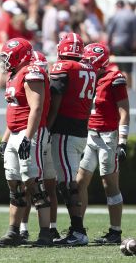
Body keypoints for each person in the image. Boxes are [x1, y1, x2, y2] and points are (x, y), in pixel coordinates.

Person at [0, 38, 52, 247]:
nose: (4, 60)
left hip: (31, 133)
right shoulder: (15, 74)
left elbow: (35, 108)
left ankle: (45, 233)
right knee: (14, 182)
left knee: (33, 181)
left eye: (7, 56)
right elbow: (15, 111)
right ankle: (13, 231)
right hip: (16, 133)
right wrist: (5, 138)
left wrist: (28, 137)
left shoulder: (32, 73)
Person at [77, 43, 130, 244]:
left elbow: (124, 110)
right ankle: (78, 228)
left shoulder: (114, 78)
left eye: (90, 62)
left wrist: (123, 141)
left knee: (109, 184)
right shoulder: (87, 78)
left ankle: (115, 231)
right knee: (80, 182)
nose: (86, 65)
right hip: (90, 135)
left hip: (108, 136)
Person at [47, 33, 96, 246]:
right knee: (68, 181)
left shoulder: (64, 67)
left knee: (68, 184)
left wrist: (47, 127)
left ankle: (78, 231)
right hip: (80, 129)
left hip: (65, 130)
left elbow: (55, 102)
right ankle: (76, 229)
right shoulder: (90, 69)